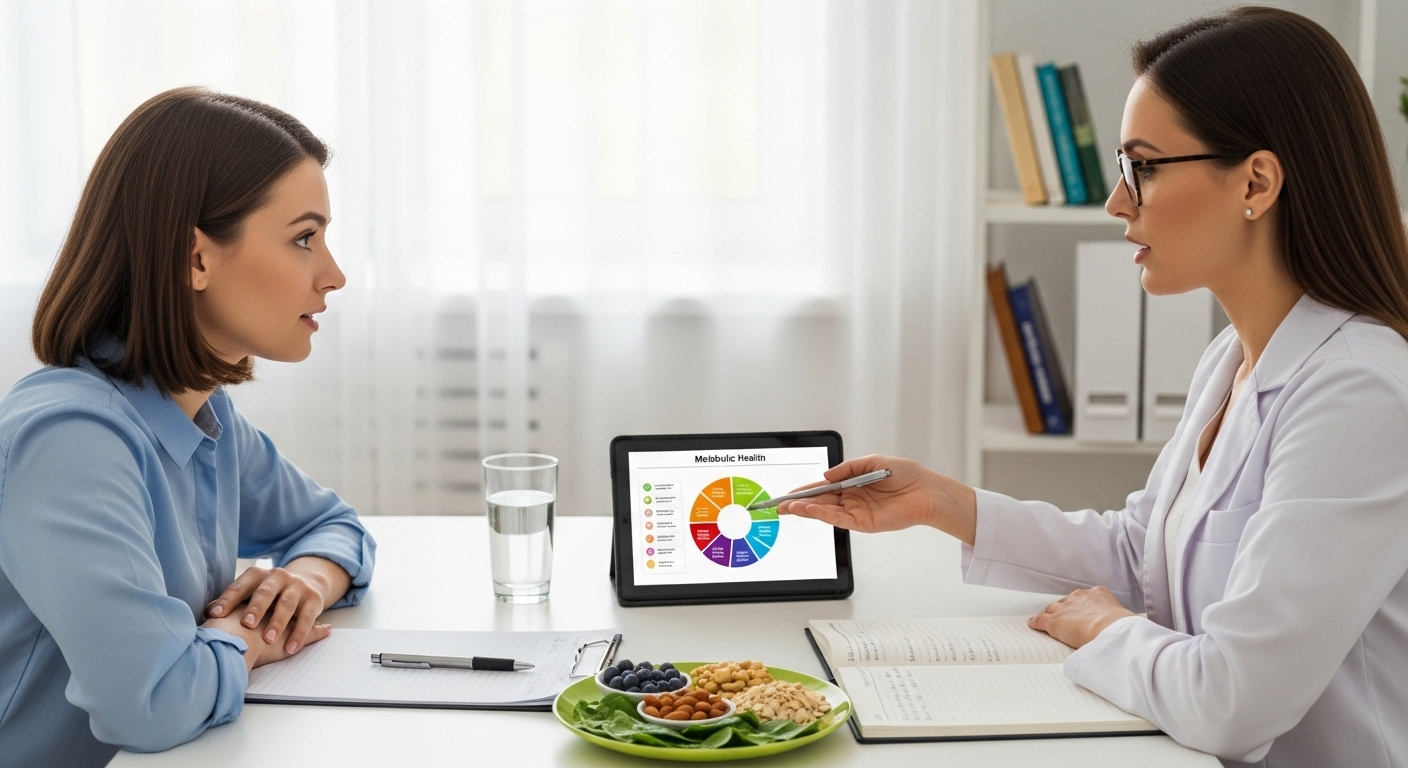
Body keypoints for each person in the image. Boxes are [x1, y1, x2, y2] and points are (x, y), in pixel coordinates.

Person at [780, 8, 1408, 767]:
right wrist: (944, 505)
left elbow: (1235, 704)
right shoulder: (1233, 361)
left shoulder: (1359, 395)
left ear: (1258, 181)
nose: (1118, 201)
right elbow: (1142, 555)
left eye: (1142, 166)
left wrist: (1104, 629)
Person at [0, 88, 375, 767]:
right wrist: (248, 636)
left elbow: (333, 525)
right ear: (194, 258)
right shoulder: (69, 441)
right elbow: (152, 703)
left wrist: (303, 587)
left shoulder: (201, 414)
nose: (334, 274)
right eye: (304, 238)